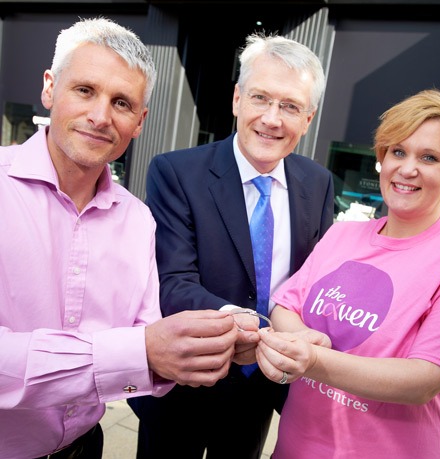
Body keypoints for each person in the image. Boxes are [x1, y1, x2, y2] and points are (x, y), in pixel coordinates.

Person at [0, 17, 240, 459]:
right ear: (50, 88)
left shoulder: (138, 219)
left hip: (86, 447)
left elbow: (147, 337)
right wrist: (138, 352)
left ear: (140, 121)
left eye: (122, 102)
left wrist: (207, 342)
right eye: (85, 90)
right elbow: (139, 349)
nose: (100, 116)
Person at [256, 88, 440, 459]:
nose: (407, 168)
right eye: (397, 152)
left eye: (430, 157)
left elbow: (422, 381)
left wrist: (313, 359)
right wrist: (305, 337)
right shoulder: (342, 234)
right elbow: (285, 306)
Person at [127, 33, 335, 459]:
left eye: (290, 106)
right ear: (237, 99)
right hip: (185, 383)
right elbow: (172, 281)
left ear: (309, 119)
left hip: (261, 386)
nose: (272, 118)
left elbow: (315, 282)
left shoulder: (318, 183)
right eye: (260, 98)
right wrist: (251, 325)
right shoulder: (176, 172)